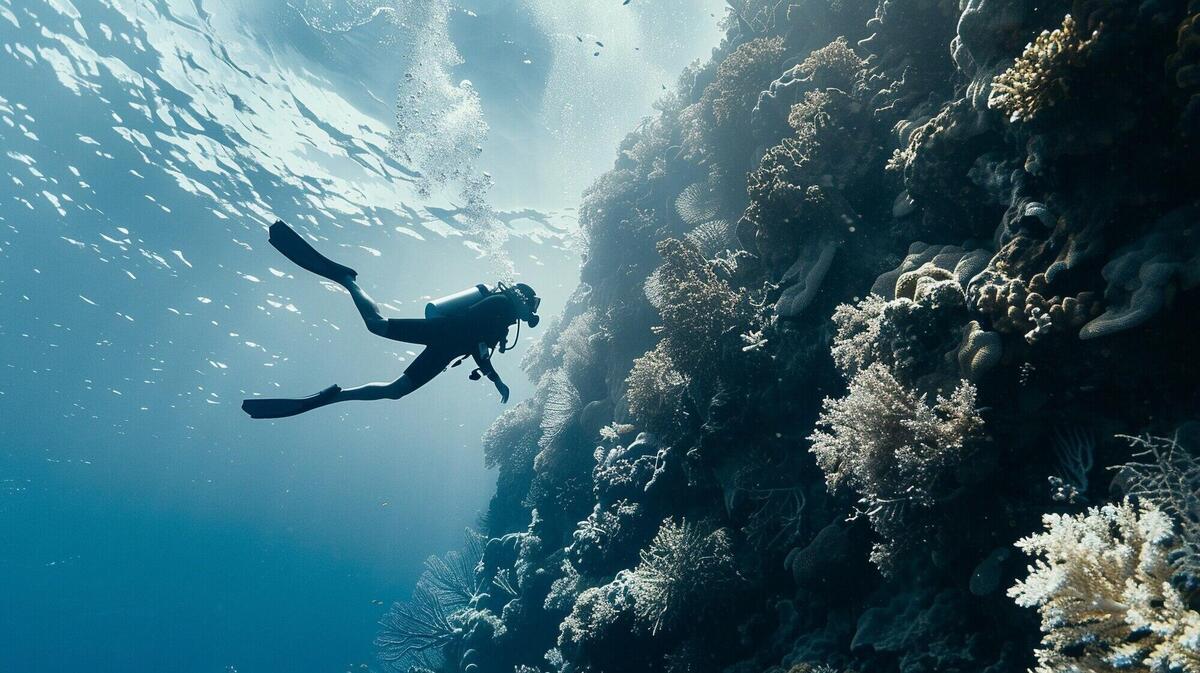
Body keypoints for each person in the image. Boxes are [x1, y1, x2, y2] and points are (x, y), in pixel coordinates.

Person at [241, 221, 540, 419]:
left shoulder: (505, 322)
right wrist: (495, 377)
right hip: (444, 332)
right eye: (532, 304)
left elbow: (480, 347)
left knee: (395, 391)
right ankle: (348, 279)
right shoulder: (501, 303)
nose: (532, 312)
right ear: (522, 299)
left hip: (447, 349)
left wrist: (493, 374)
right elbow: (475, 332)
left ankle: (336, 397)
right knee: (377, 325)